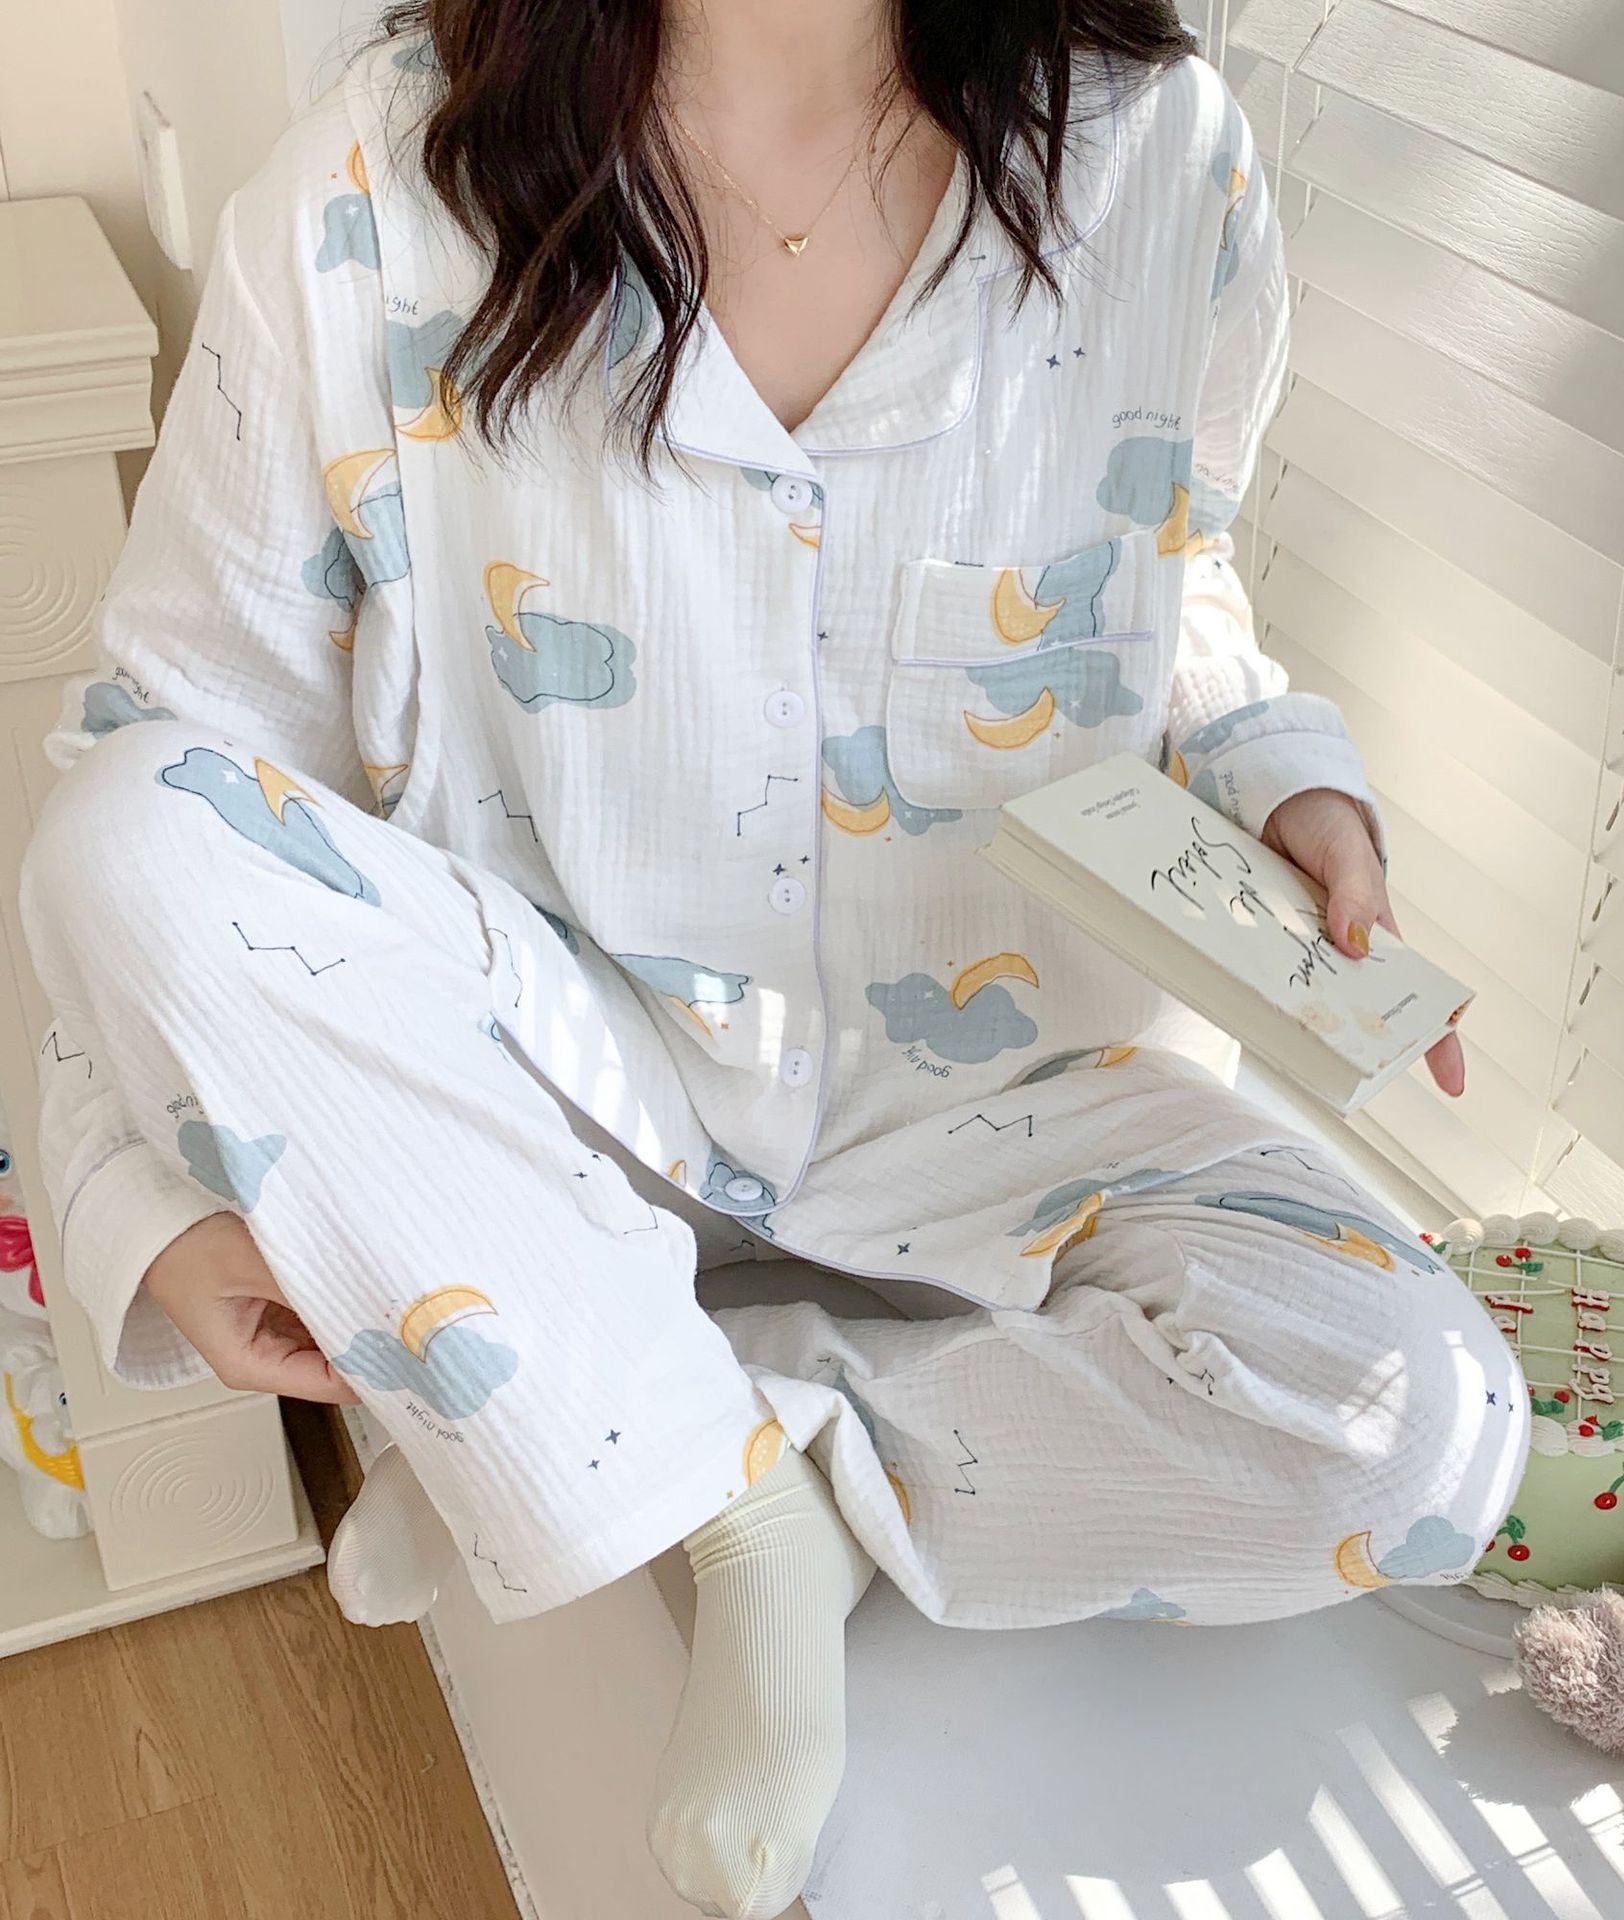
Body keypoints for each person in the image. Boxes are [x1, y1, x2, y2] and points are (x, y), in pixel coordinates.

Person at [20, 2, 1526, 1912]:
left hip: (1013, 1104)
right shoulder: (365, 199)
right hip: (564, 1088)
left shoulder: (1165, 157)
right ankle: (718, 1505)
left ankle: (683, 1419)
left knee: (1423, 1426)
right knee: (123, 828)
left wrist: (1277, 770)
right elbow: (177, 761)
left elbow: (1176, 564)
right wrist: (145, 1201)